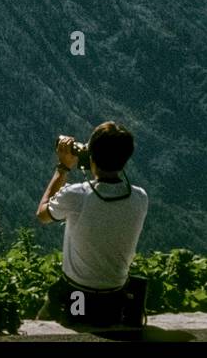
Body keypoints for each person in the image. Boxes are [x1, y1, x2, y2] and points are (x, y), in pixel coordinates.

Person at [36, 121, 149, 325]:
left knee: (43, 323)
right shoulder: (140, 197)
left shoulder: (76, 195)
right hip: (116, 294)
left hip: (77, 294)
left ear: (91, 155)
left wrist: (62, 167)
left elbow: (42, 215)